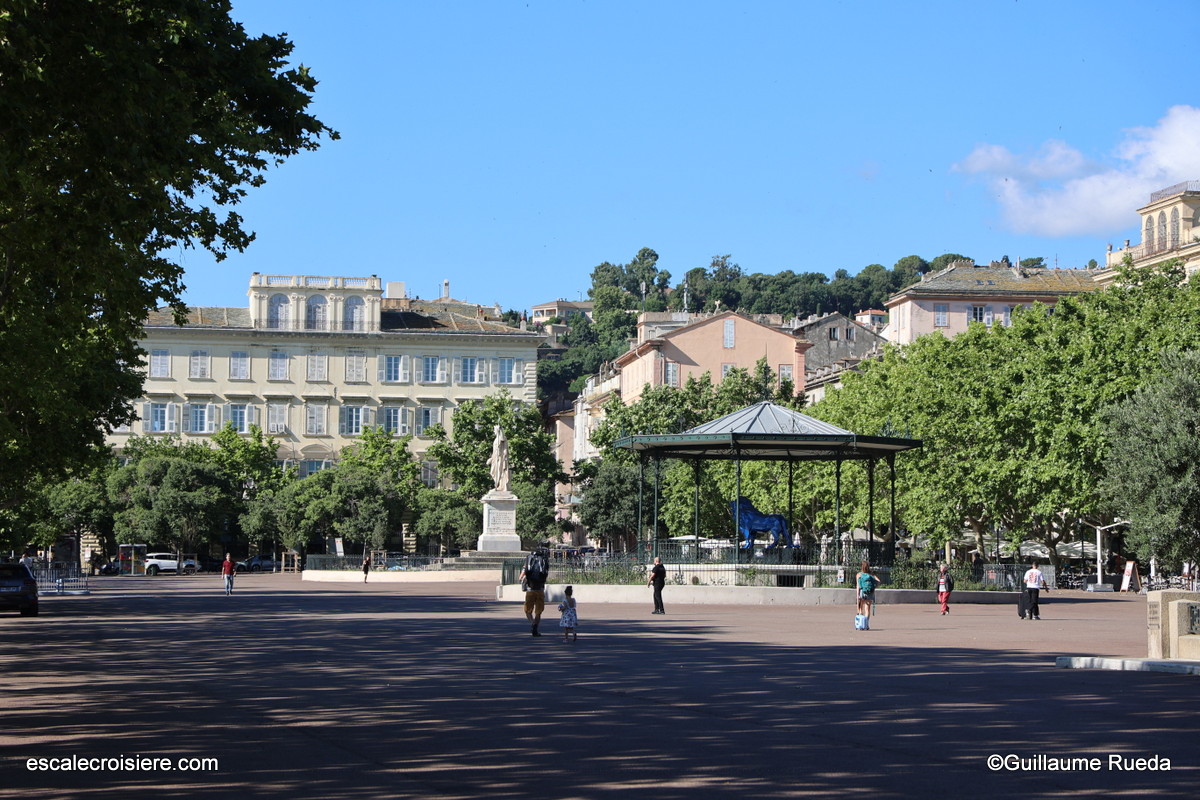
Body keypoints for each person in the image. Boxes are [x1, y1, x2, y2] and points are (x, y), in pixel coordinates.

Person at [519, 547, 549, 636]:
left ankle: (532, 623)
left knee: (528, 610)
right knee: (538, 611)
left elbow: (521, 576)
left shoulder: (529, 561)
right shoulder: (543, 561)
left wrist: (522, 579)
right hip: (540, 589)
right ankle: (536, 626)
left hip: (530, 589)